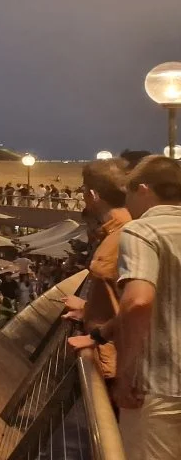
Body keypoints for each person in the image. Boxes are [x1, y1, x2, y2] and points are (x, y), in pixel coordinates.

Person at [102, 156, 181, 460]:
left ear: (144, 190)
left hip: (159, 388)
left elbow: (138, 301)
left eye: (129, 194)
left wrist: (125, 375)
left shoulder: (142, 230)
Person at [63, 158, 131, 383]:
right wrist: (88, 309)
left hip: (118, 368)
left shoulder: (117, 240)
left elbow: (137, 304)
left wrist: (96, 333)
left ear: (92, 195)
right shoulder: (126, 230)